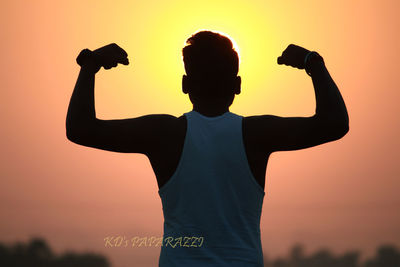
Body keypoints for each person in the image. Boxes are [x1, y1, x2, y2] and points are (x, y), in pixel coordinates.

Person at [66, 30, 349, 266]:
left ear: (185, 84)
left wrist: (90, 66)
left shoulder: (164, 134)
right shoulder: (255, 134)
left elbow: (80, 129)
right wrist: (313, 63)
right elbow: (335, 123)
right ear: (238, 86)